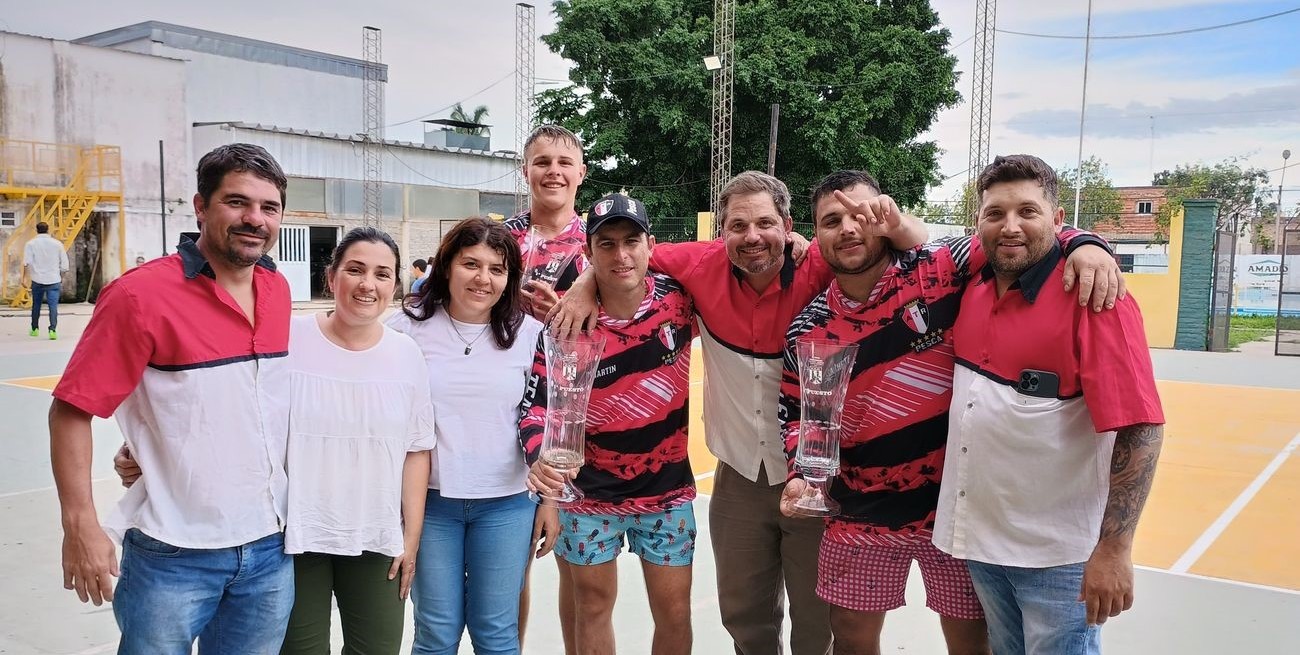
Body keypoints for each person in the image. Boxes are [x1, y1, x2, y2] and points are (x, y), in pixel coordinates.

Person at [551, 171, 1125, 655]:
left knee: (826, 622)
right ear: (721, 233)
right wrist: (582, 285)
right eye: (738, 226)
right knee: (746, 614)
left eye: (766, 224)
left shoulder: (848, 267)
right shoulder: (701, 269)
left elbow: (1005, 236)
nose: (753, 237)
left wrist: (1085, 242)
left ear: (790, 229)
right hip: (747, 478)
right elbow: (619, 255)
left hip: (870, 488)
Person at [778, 170, 1125, 655]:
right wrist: (801, 473)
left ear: (886, 220)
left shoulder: (941, 269)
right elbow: (796, 414)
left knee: (969, 639)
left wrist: (1087, 244)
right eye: (831, 220)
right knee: (853, 639)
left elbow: (1022, 235)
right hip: (860, 510)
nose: (849, 229)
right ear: (816, 236)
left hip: (956, 511)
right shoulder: (809, 328)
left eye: (862, 215)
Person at [50, 143, 296, 653]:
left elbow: (250, 409)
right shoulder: (139, 296)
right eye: (237, 202)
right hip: (173, 554)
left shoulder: (277, 289)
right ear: (201, 206)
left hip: (271, 549)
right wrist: (81, 525)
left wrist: (148, 446)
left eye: (269, 207)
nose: (255, 219)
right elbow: (72, 410)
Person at [932, 155, 1165, 655]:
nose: (1010, 226)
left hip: (1059, 559)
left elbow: (1141, 427)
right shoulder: (970, 281)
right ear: (978, 224)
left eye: (1028, 211)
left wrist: (1115, 549)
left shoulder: (1096, 298)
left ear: (1058, 220)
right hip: (980, 544)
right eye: (994, 213)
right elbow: (911, 240)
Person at [523, 193, 697, 655]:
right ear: (589, 251)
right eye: (606, 244)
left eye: (631, 241)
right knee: (593, 606)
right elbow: (534, 406)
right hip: (589, 495)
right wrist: (540, 460)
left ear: (650, 245)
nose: (621, 255)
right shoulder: (565, 323)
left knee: (675, 611)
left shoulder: (680, 302)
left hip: (667, 490)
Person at [388, 217, 557, 655]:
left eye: (497, 269)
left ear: (509, 278)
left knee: (496, 632)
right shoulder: (404, 330)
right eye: (471, 264)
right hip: (431, 505)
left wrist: (550, 501)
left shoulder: (531, 335)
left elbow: (549, 416)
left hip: (507, 503)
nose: (483, 278)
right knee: (435, 632)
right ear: (446, 267)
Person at [277, 227, 435, 654]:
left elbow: (417, 450)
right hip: (296, 535)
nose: (368, 284)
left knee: (378, 649)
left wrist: (411, 538)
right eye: (355, 270)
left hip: (375, 536)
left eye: (383, 274)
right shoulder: (288, 340)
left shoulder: (406, 355)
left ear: (395, 285)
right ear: (332, 278)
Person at [507, 124, 589, 322]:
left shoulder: (597, 245)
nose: (554, 171)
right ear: (525, 172)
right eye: (542, 162)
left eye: (565, 163)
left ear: (581, 173)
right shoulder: (500, 239)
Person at [23, 221, 69, 340]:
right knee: (53, 306)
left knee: (36, 305)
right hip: (53, 280)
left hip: (37, 280)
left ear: (36, 230)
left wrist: (24, 278)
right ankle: (52, 330)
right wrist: (61, 277)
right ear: (48, 230)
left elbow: (26, 262)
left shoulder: (31, 244)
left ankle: (34, 329)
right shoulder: (57, 244)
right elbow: (64, 265)